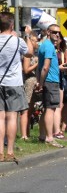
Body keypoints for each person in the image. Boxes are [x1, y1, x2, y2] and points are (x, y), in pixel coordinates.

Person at [0, 14, 34, 163]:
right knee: (12, 117)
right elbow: (30, 52)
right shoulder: (17, 41)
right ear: (12, 26)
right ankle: (10, 151)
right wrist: (27, 35)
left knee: (0, 118)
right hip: (13, 82)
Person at [35, 25, 63, 147]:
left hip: (47, 80)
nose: (57, 35)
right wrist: (40, 83)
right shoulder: (49, 46)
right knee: (51, 109)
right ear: (48, 32)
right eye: (54, 32)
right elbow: (45, 67)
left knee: (47, 109)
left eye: (58, 33)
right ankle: (50, 138)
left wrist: (39, 81)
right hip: (50, 81)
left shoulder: (44, 46)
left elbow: (39, 66)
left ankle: (42, 136)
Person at [20, 31, 40, 140]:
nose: (37, 43)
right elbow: (26, 69)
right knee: (26, 109)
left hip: (33, 82)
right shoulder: (27, 54)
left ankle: (27, 133)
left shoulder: (34, 53)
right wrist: (38, 63)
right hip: (28, 82)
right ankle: (24, 134)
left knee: (31, 109)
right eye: (36, 41)